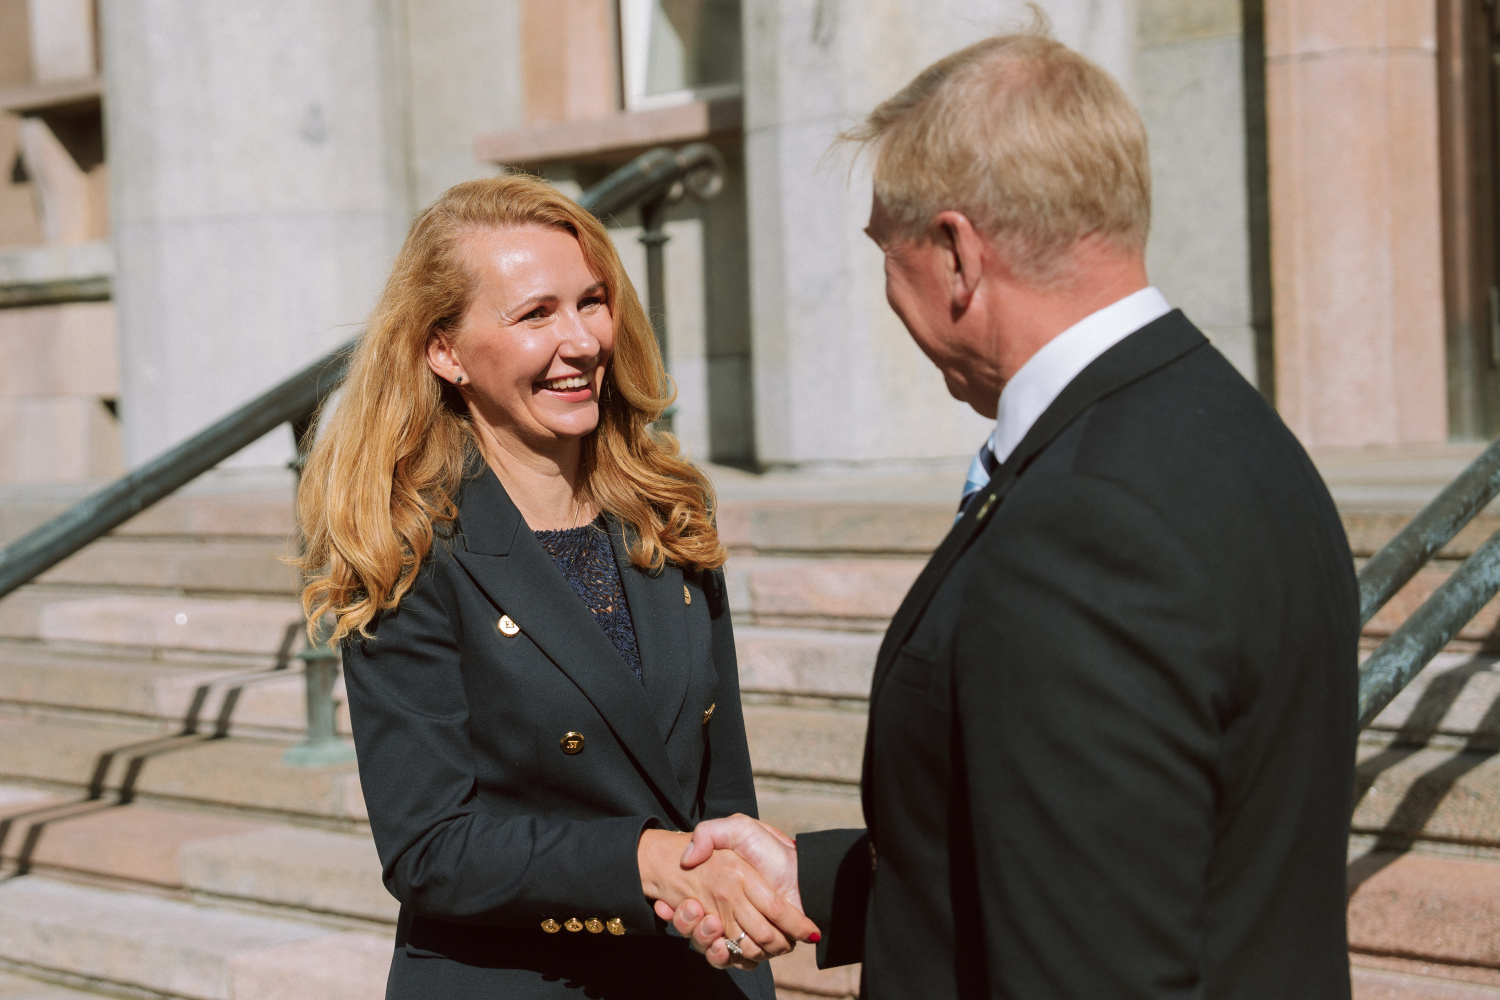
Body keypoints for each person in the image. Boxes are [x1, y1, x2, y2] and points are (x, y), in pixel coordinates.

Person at [665, 29, 1360, 1000]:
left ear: (957, 254)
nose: (889, 290)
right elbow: (1131, 851)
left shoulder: (1086, 525)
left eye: (888, 253)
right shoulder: (1235, 431)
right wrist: (816, 877)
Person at [296, 175, 816, 999]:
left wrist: (736, 914)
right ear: (445, 351)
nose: (580, 341)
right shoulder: (407, 545)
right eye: (535, 314)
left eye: (592, 302)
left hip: (694, 972)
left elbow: (721, 789)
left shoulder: (667, 509)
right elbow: (430, 847)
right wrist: (645, 861)